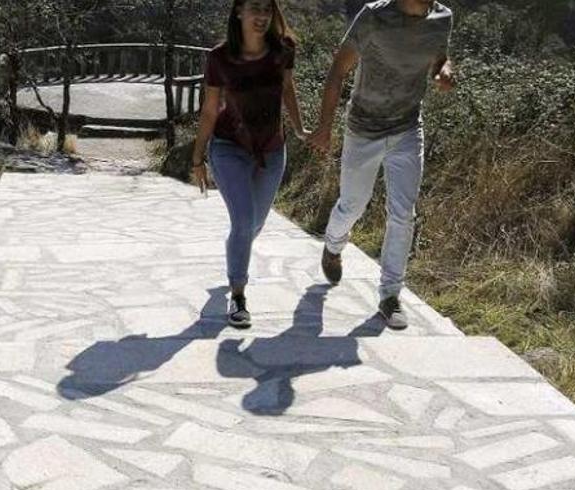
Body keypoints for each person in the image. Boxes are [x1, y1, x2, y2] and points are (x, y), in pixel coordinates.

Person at [307, 0, 455, 330]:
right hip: (364, 129)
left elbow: (438, 56)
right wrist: (325, 126)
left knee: (403, 212)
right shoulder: (374, 15)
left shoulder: (443, 17)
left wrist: (444, 70)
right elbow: (338, 70)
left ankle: (390, 295)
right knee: (352, 206)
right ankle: (333, 247)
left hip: (406, 127)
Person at [190, 0, 308, 329]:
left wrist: (299, 128)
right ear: (239, 12)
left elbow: (288, 89)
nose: (261, 17)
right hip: (229, 147)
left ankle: (235, 256)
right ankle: (238, 294)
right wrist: (198, 156)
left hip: (272, 149)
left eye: (267, 11)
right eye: (254, 9)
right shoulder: (219, 58)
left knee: (253, 225)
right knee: (243, 222)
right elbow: (211, 110)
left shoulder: (283, 50)